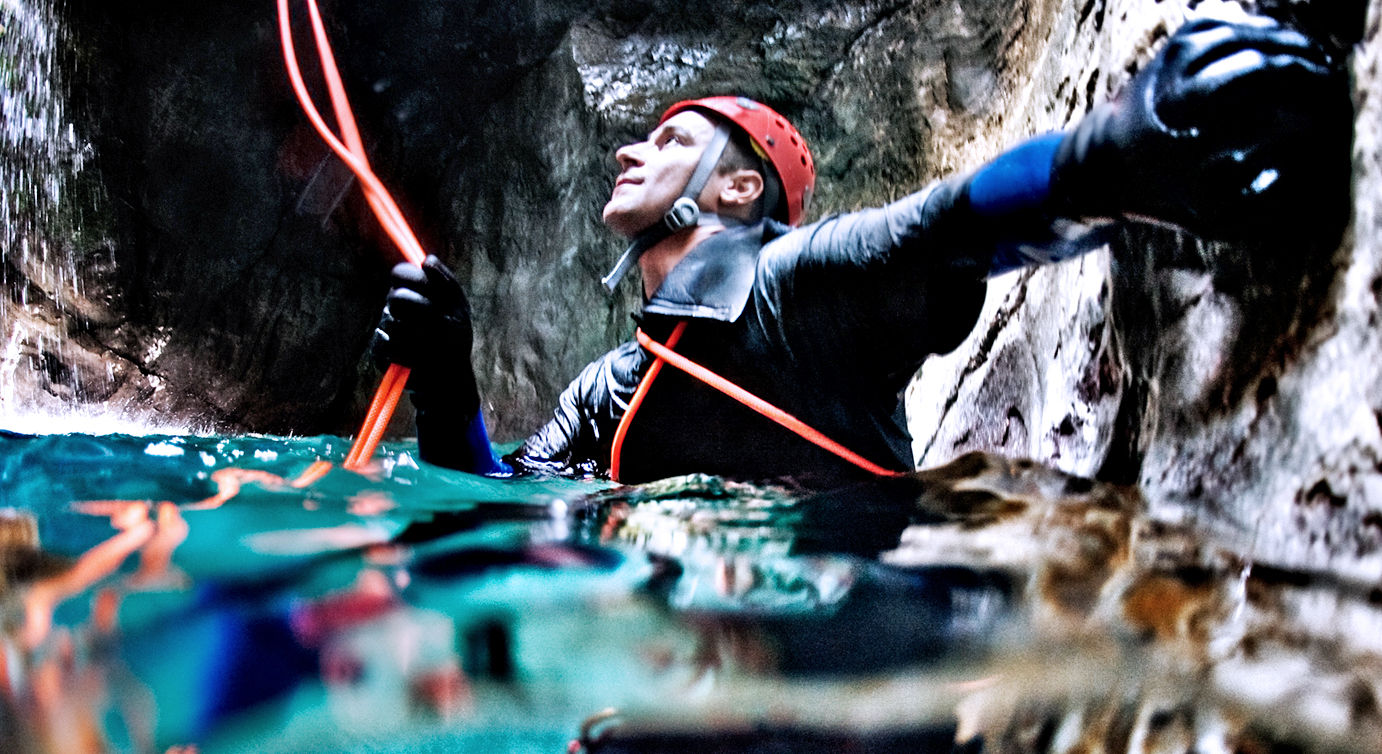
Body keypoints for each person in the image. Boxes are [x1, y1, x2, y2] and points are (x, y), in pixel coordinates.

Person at [372, 14, 1349, 488]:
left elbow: (945, 228)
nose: (629, 148)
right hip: (670, 706)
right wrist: (448, 389)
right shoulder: (607, 387)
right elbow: (498, 502)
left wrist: (1109, 158)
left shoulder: (788, 291)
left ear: (739, 190)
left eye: (672, 140)